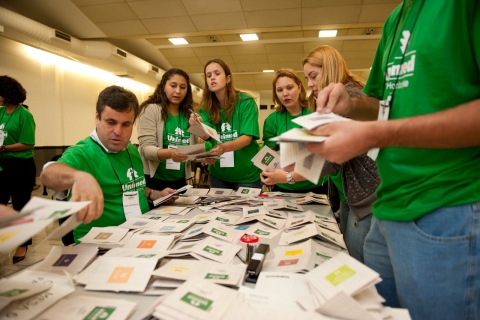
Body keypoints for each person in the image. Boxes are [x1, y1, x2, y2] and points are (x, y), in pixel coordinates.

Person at [306, 2, 480, 319]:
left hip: (448, 202)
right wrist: (350, 104)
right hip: (389, 207)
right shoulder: (396, 19)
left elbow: (383, 126)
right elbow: (380, 104)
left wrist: (375, 135)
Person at [41, 86, 176, 243]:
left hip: (140, 233)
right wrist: (78, 177)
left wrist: (154, 194)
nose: (118, 131)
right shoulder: (82, 153)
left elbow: (129, 186)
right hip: (102, 245)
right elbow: (48, 173)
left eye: (126, 124)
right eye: (111, 122)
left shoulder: (131, 149)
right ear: (97, 117)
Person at [189, 58, 262, 190]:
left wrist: (224, 148)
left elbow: (247, 138)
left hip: (247, 176)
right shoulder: (206, 108)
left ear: (228, 78)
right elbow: (208, 138)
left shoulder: (246, 102)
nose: (212, 78)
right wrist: (197, 127)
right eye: (209, 75)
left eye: (217, 74)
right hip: (219, 176)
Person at [260, 68, 328, 194]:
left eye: (289, 87)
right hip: (283, 187)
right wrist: (266, 170)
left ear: (300, 87)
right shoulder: (271, 120)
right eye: (279, 90)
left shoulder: (315, 113)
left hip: (315, 186)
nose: (285, 94)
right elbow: (270, 153)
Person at [137, 68, 196, 201]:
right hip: (154, 182)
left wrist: (203, 156)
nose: (178, 91)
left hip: (180, 182)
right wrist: (171, 153)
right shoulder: (150, 110)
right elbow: (147, 149)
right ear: (163, 86)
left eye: (183, 87)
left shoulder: (189, 114)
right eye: (173, 85)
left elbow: (191, 150)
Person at [0, 75, 36, 263]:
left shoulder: (24, 115)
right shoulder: (0, 112)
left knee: (20, 206)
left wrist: (4, 148)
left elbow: (28, 143)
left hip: (21, 165)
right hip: (2, 164)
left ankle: (22, 244)